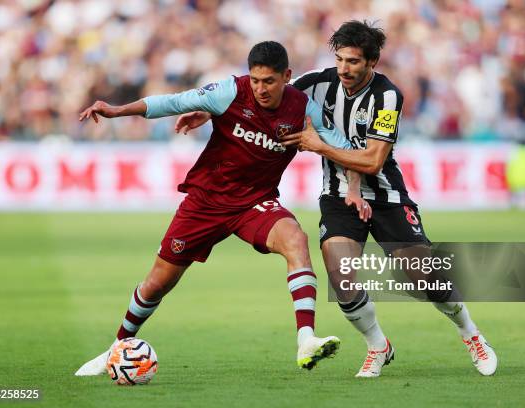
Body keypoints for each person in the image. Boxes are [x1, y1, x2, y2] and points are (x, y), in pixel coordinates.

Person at [176, 21, 498, 378]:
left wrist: (320, 146)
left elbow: (374, 160)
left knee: (422, 276)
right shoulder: (315, 82)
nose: (344, 68)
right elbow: (260, 97)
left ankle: (470, 333)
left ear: (372, 63)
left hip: (386, 195)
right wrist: (210, 111)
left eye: (354, 62)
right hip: (336, 195)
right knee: (341, 275)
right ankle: (377, 346)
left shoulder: (388, 97)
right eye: (341, 59)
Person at [74, 41, 373, 376]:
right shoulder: (229, 91)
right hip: (206, 201)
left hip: (255, 202)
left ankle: (306, 338)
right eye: (256, 80)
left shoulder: (303, 109)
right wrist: (116, 110)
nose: (260, 89)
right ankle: (116, 347)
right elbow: (173, 102)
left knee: (296, 240)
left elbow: (344, 148)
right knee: (158, 282)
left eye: (269, 82)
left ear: (286, 76)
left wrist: (354, 189)